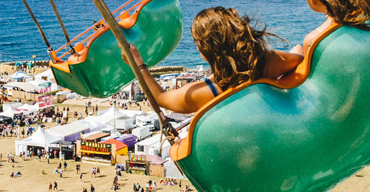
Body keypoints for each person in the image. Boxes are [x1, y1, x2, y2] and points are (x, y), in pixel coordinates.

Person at [126, 7, 302, 114]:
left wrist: (138, 64)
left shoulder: (208, 92)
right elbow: (298, 60)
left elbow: (161, 98)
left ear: (206, 49)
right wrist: (298, 49)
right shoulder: (266, 63)